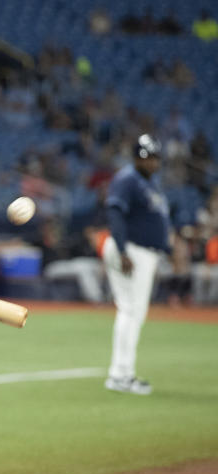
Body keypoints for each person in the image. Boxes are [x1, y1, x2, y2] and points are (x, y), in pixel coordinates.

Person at [100, 135, 171, 395]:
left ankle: (121, 373)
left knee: (133, 311)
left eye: (154, 157)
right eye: (146, 157)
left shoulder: (149, 183)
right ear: (136, 157)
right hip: (130, 249)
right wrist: (121, 250)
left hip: (140, 251)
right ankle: (120, 375)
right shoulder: (128, 179)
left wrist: (168, 248)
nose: (152, 162)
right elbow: (115, 212)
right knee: (130, 310)